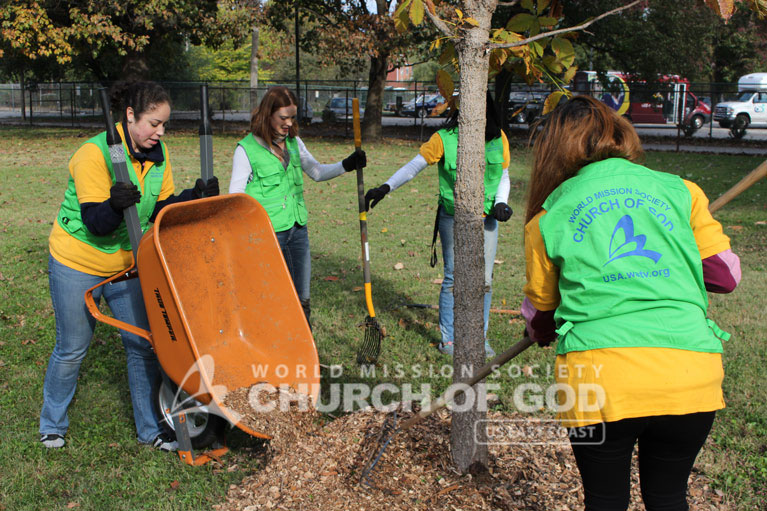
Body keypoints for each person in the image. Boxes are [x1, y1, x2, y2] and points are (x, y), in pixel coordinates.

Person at [521, 95, 740, 510]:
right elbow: (724, 277)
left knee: (604, 501)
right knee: (669, 497)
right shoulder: (682, 192)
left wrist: (537, 329)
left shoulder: (547, 217)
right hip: (687, 374)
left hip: (598, 383)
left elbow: (541, 319)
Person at [40, 81, 220, 451]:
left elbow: (159, 211)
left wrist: (193, 196)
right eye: (154, 123)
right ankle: (52, 424)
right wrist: (113, 204)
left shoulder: (158, 154)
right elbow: (96, 223)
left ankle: (150, 430)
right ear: (129, 116)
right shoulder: (93, 155)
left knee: (143, 344)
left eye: (164, 124)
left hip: (127, 261)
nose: (161, 132)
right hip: (77, 260)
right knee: (73, 347)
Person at [364, 93, 513, 357]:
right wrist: (386, 187)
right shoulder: (444, 139)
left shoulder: (498, 138)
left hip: (487, 218)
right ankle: (449, 339)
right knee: (454, 278)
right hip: (453, 217)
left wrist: (501, 201)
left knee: (485, 280)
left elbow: (503, 174)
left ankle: (480, 338)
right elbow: (414, 167)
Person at [230, 86, 365, 325]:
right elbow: (235, 198)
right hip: (267, 236)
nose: (289, 124)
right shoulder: (246, 150)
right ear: (267, 114)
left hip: (297, 231)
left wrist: (346, 164)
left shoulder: (294, 143)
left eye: (292, 117)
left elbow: (316, 171)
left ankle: (305, 354)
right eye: (283, 118)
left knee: (302, 298)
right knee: (272, 297)